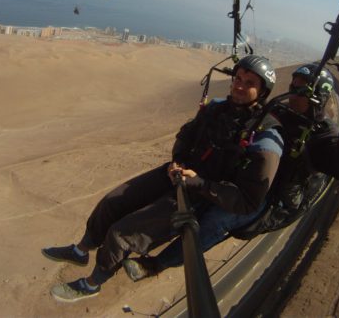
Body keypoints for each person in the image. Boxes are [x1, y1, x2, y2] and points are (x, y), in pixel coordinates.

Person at [42, 55, 284, 302]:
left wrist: (199, 183)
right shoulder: (217, 109)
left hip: (198, 196)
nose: (239, 86)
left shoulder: (265, 138)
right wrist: (177, 160)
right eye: (238, 79)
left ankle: (92, 284)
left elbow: (247, 202)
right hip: (176, 174)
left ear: (263, 91)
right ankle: (80, 250)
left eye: (249, 83)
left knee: (122, 233)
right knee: (112, 202)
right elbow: (186, 135)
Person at [121, 61, 339, 280]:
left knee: (217, 218)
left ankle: (158, 264)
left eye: (301, 88)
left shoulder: (321, 136)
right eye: (293, 85)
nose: (293, 91)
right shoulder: (279, 110)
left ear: (317, 95)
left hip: (270, 199)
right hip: (245, 176)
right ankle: (132, 232)